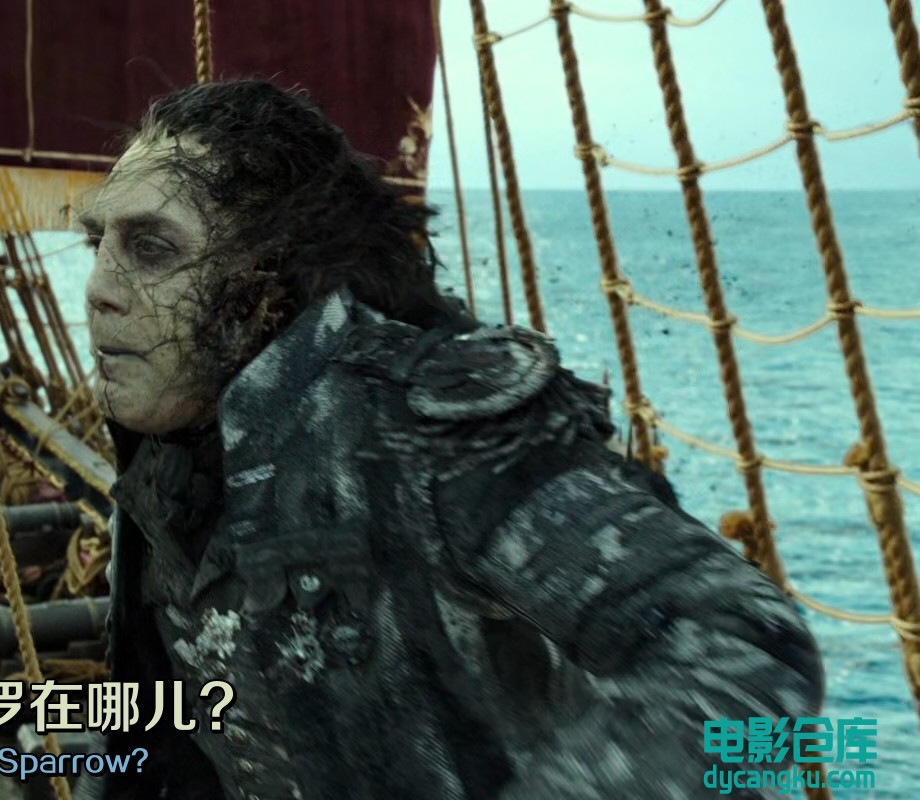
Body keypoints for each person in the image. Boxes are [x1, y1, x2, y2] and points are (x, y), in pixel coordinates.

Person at [73, 79, 821, 800]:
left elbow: (753, 647)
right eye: (98, 244)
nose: (98, 289)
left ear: (269, 275)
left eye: (151, 249)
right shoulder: (171, 445)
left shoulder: (426, 430)